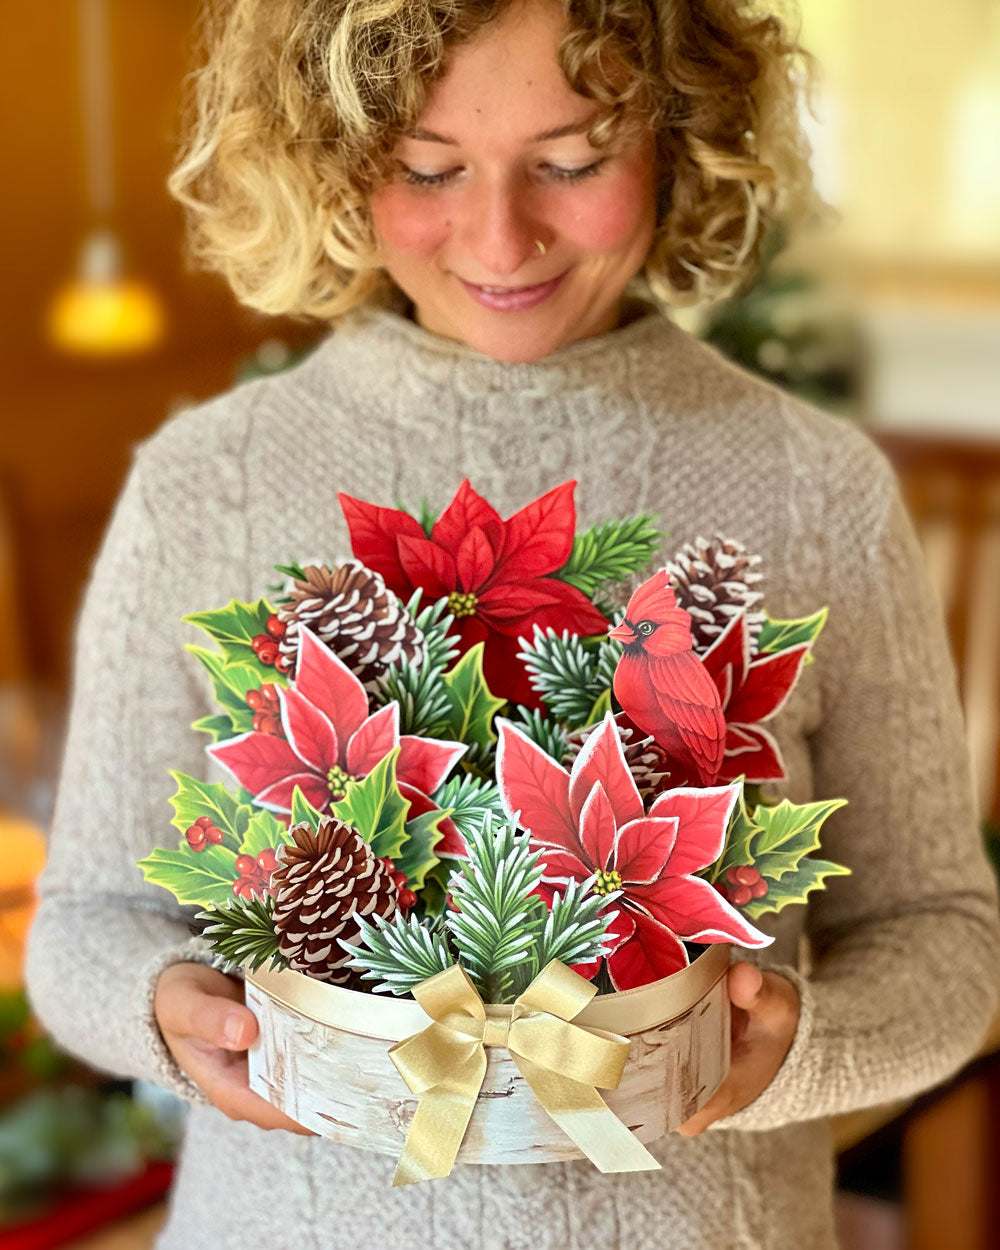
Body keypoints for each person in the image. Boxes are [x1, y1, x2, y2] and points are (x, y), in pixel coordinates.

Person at [25, 0, 1000, 1246]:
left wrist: (801, 1044)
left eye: (571, 160)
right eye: (427, 169)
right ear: (337, 161)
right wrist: (168, 1010)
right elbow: (88, 921)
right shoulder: (203, 485)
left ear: (676, 135)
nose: (499, 236)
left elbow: (945, 939)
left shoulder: (813, 489)